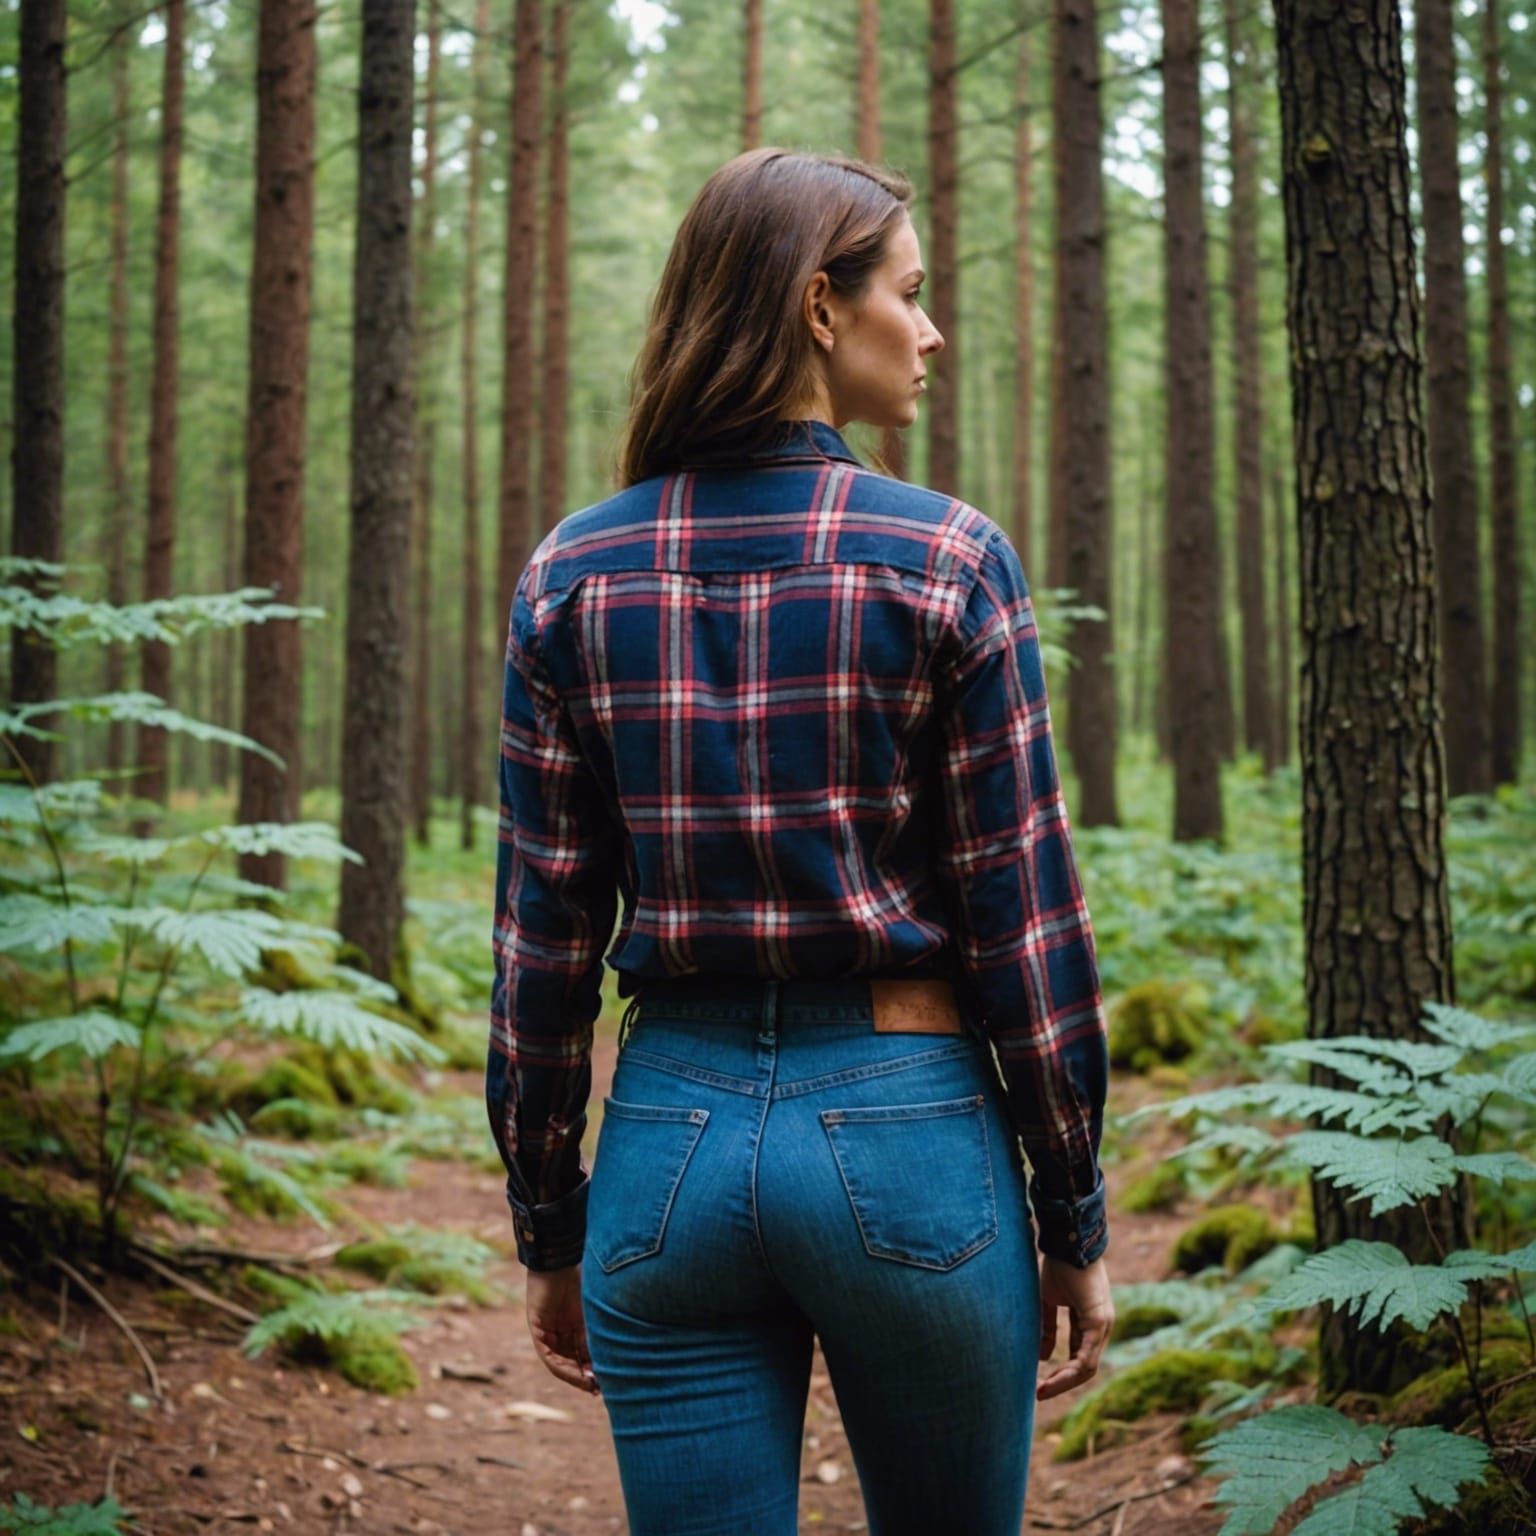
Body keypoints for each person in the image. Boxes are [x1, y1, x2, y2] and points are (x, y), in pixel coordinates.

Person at [487, 147, 1114, 1536]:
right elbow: (1027, 922)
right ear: (818, 311)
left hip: (667, 1147)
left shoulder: (570, 574)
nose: (933, 327)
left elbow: (541, 943)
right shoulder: (949, 557)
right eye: (911, 291)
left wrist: (551, 1223)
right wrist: (1072, 1215)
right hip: (913, 1139)